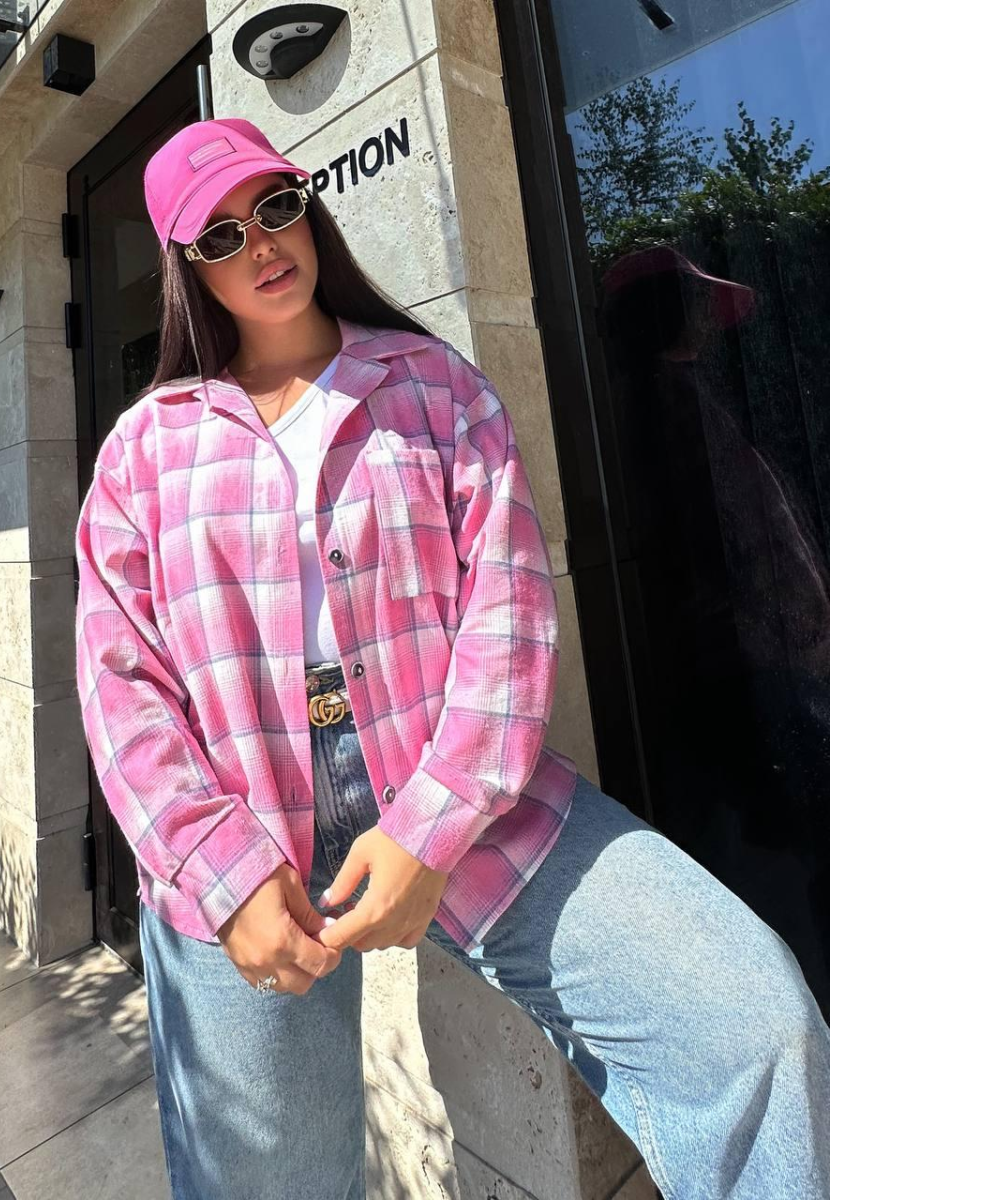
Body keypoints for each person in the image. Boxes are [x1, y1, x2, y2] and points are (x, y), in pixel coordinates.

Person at [74, 118, 830, 1200]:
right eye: (221, 236)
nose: (262, 244)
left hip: (463, 785)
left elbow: (508, 610)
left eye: (276, 207)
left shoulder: (435, 387)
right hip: (238, 832)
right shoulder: (143, 449)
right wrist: (218, 873)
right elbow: (121, 683)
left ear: (308, 210)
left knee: (749, 1018)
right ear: (187, 268)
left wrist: (432, 825)